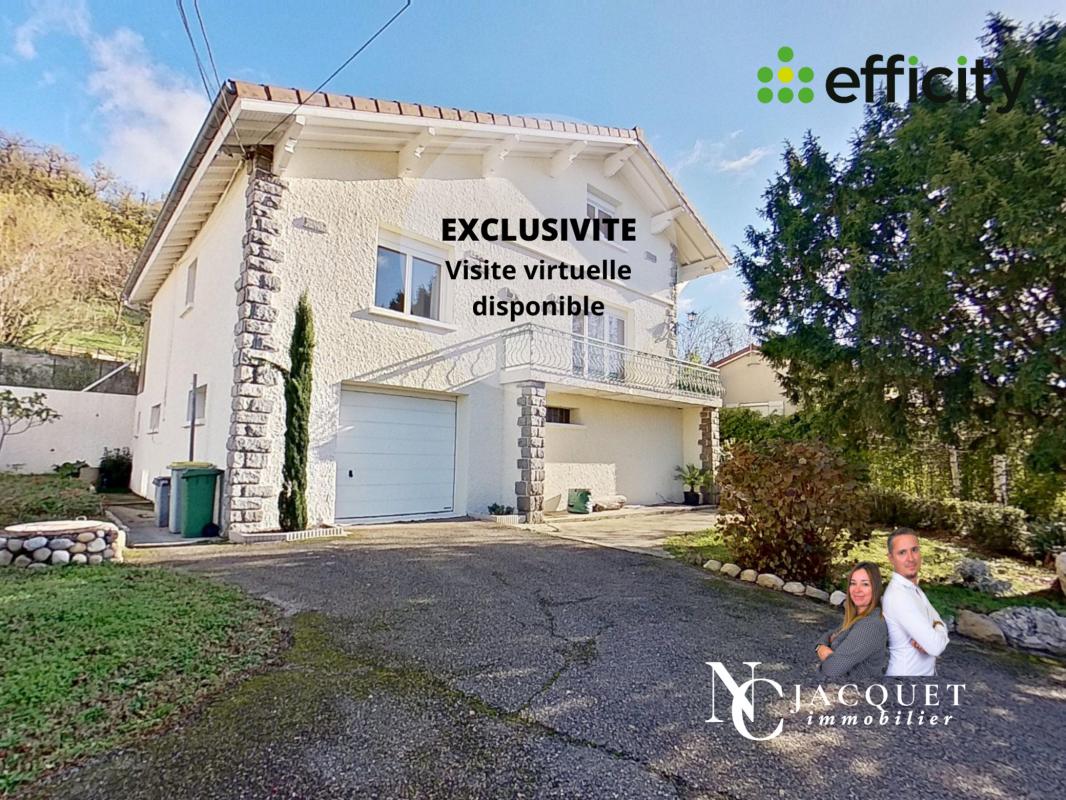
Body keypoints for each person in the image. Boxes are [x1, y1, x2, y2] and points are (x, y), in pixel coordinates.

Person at [882, 527, 949, 676]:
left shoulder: (913, 589)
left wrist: (936, 627)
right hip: (905, 681)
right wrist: (936, 629)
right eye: (902, 553)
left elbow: (939, 624)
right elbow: (936, 647)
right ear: (891, 558)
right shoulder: (899, 596)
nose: (911, 558)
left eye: (914, 550)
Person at [815, 562, 888, 681]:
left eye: (865, 584)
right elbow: (829, 634)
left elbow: (832, 669)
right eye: (853, 583)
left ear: (875, 589)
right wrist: (820, 647)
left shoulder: (871, 625)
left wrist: (829, 655)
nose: (857, 590)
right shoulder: (856, 617)